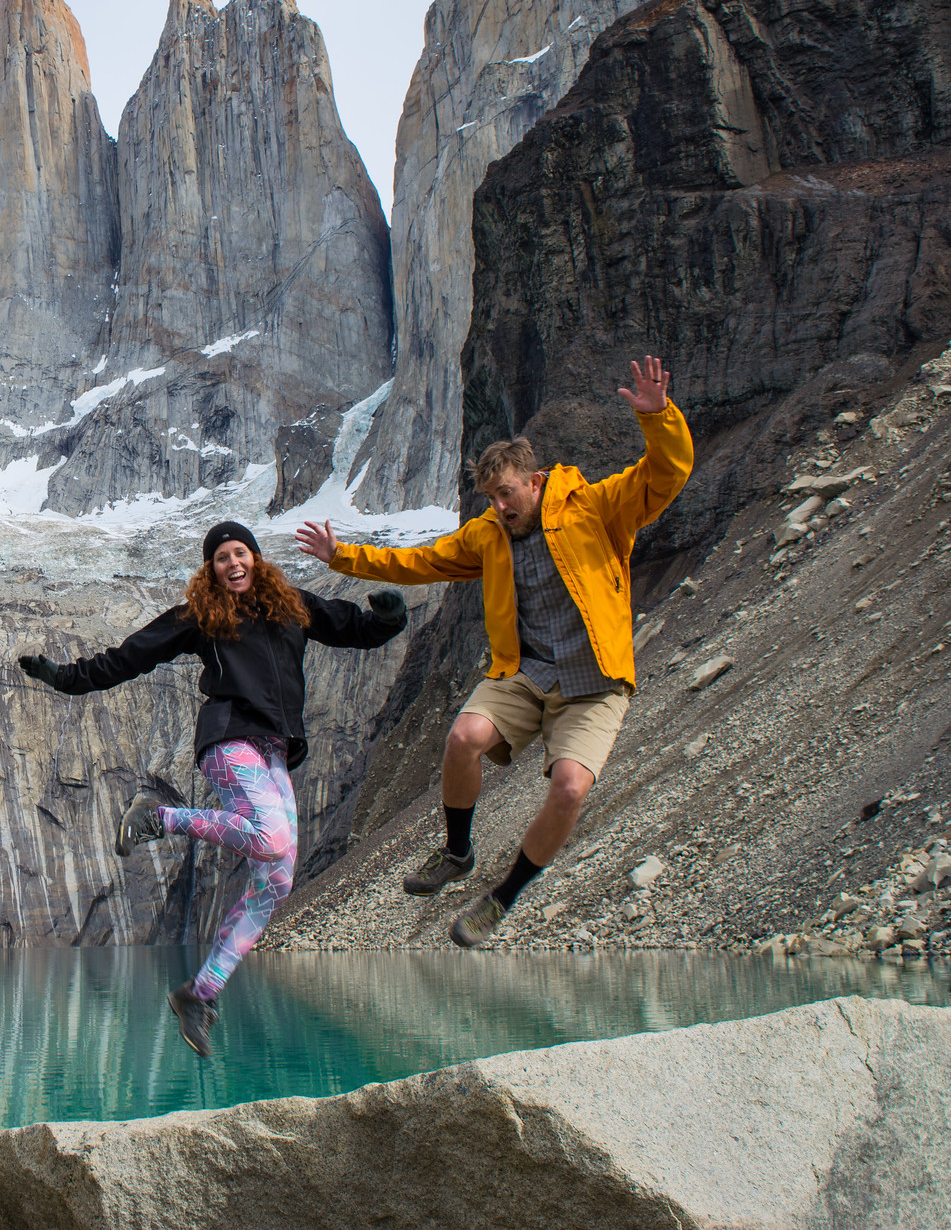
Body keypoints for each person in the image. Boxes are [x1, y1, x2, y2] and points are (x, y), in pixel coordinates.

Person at [294, 356, 692, 948]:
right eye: (490, 499)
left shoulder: (597, 507)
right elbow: (421, 561)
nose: (500, 508)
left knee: (569, 790)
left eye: (506, 494)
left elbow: (664, 476)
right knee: (462, 739)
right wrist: (343, 557)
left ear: (534, 483)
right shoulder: (488, 535)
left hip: (596, 682)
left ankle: (501, 899)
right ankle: (457, 850)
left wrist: (659, 418)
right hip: (527, 675)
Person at [17, 521, 407, 1057]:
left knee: (278, 878)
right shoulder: (200, 617)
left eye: (239, 552)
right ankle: (159, 818)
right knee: (270, 839)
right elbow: (132, 656)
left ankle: (200, 994)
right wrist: (65, 677)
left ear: (256, 558)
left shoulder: (292, 604)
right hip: (228, 740)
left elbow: (354, 628)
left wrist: (389, 618)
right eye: (221, 557)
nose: (232, 563)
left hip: (273, 751)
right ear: (211, 570)